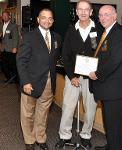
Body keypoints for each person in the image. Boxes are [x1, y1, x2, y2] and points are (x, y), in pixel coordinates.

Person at [55, 0, 103, 149]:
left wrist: (98, 71)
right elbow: (66, 55)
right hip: (73, 77)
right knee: (68, 107)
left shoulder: (99, 30)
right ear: (76, 12)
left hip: (92, 77)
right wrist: (71, 76)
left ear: (91, 12)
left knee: (90, 109)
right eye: (80, 9)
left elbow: (103, 54)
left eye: (86, 9)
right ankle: (64, 135)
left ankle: (86, 136)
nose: (83, 12)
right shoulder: (70, 30)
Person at [16, 8, 61, 150]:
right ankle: (29, 140)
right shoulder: (29, 36)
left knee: (43, 113)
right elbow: (21, 60)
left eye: (50, 18)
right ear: (38, 19)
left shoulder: (57, 38)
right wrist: (25, 81)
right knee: (28, 113)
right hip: (31, 82)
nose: (46, 20)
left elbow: (54, 59)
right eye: (43, 17)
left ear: (52, 21)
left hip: (49, 83)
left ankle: (40, 138)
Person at [89, 5, 122, 150]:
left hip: (114, 90)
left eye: (106, 14)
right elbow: (101, 56)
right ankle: (111, 145)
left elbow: (114, 61)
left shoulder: (119, 34)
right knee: (110, 123)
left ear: (114, 15)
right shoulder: (106, 32)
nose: (103, 18)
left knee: (114, 125)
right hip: (108, 88)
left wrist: (97, 74)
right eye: (100, 15)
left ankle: (115, 147)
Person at [0, 10, 19, 83]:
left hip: (11, 48)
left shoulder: (13, 25)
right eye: (3, 16)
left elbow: (15, 37)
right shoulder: (1, 25)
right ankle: (9, 77)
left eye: (5, 16)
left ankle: (16, 79)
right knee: (4, 65)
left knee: (12, 65)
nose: (4, 17)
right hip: (3, 48)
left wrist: (15, 47)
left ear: (9, 16)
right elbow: (2, 36)